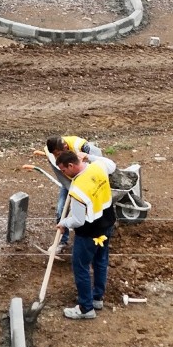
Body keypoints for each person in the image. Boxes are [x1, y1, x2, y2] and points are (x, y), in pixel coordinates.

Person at [49, 134, 115, 320]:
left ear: (71, 166)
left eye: (63, 170)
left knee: (81, 267)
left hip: (89, 233)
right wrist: (90, 157)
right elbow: (112, 164)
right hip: (107, 223)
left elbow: (77, 220)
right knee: (101, 261)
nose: (63, 173)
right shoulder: (98, 166)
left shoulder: (78, 188)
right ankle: (97, 298)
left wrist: (63, 223)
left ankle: (86, 308)